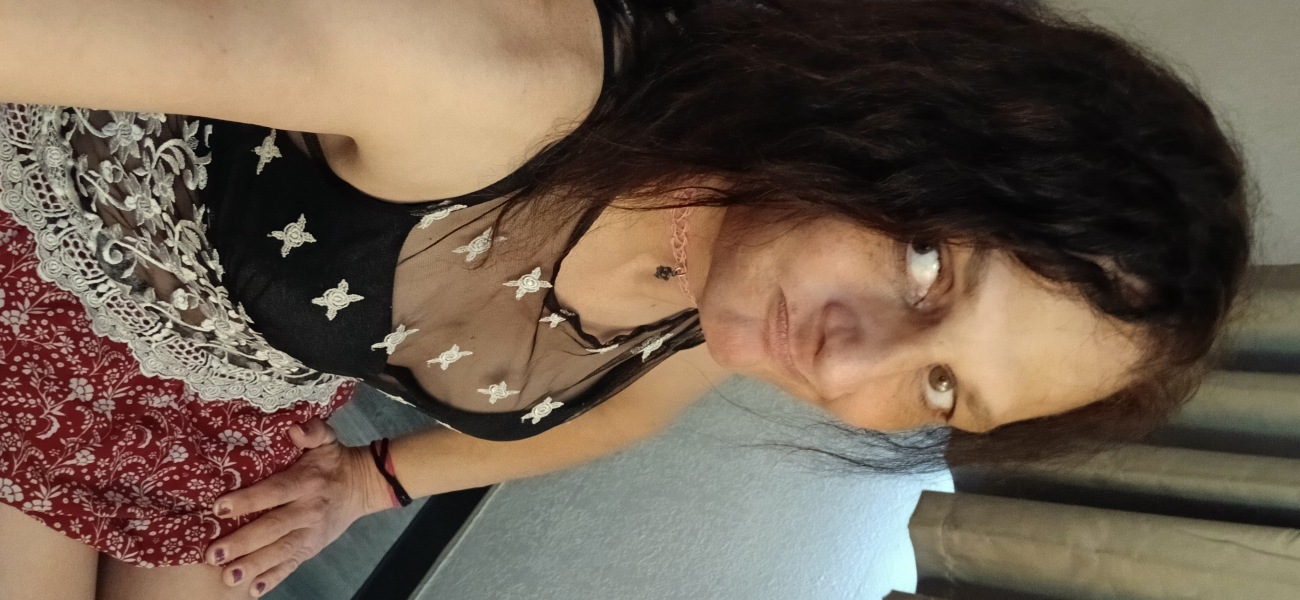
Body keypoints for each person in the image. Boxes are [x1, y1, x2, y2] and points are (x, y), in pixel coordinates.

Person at [0, 0, 1250, 598]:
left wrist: (375, 481)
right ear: (914, 116)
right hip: (37, 293)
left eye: (939, 388)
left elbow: (616, 413)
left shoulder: (726, 295)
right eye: (926, 260)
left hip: (221, 407)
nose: (845, 366)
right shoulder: (494, 80)